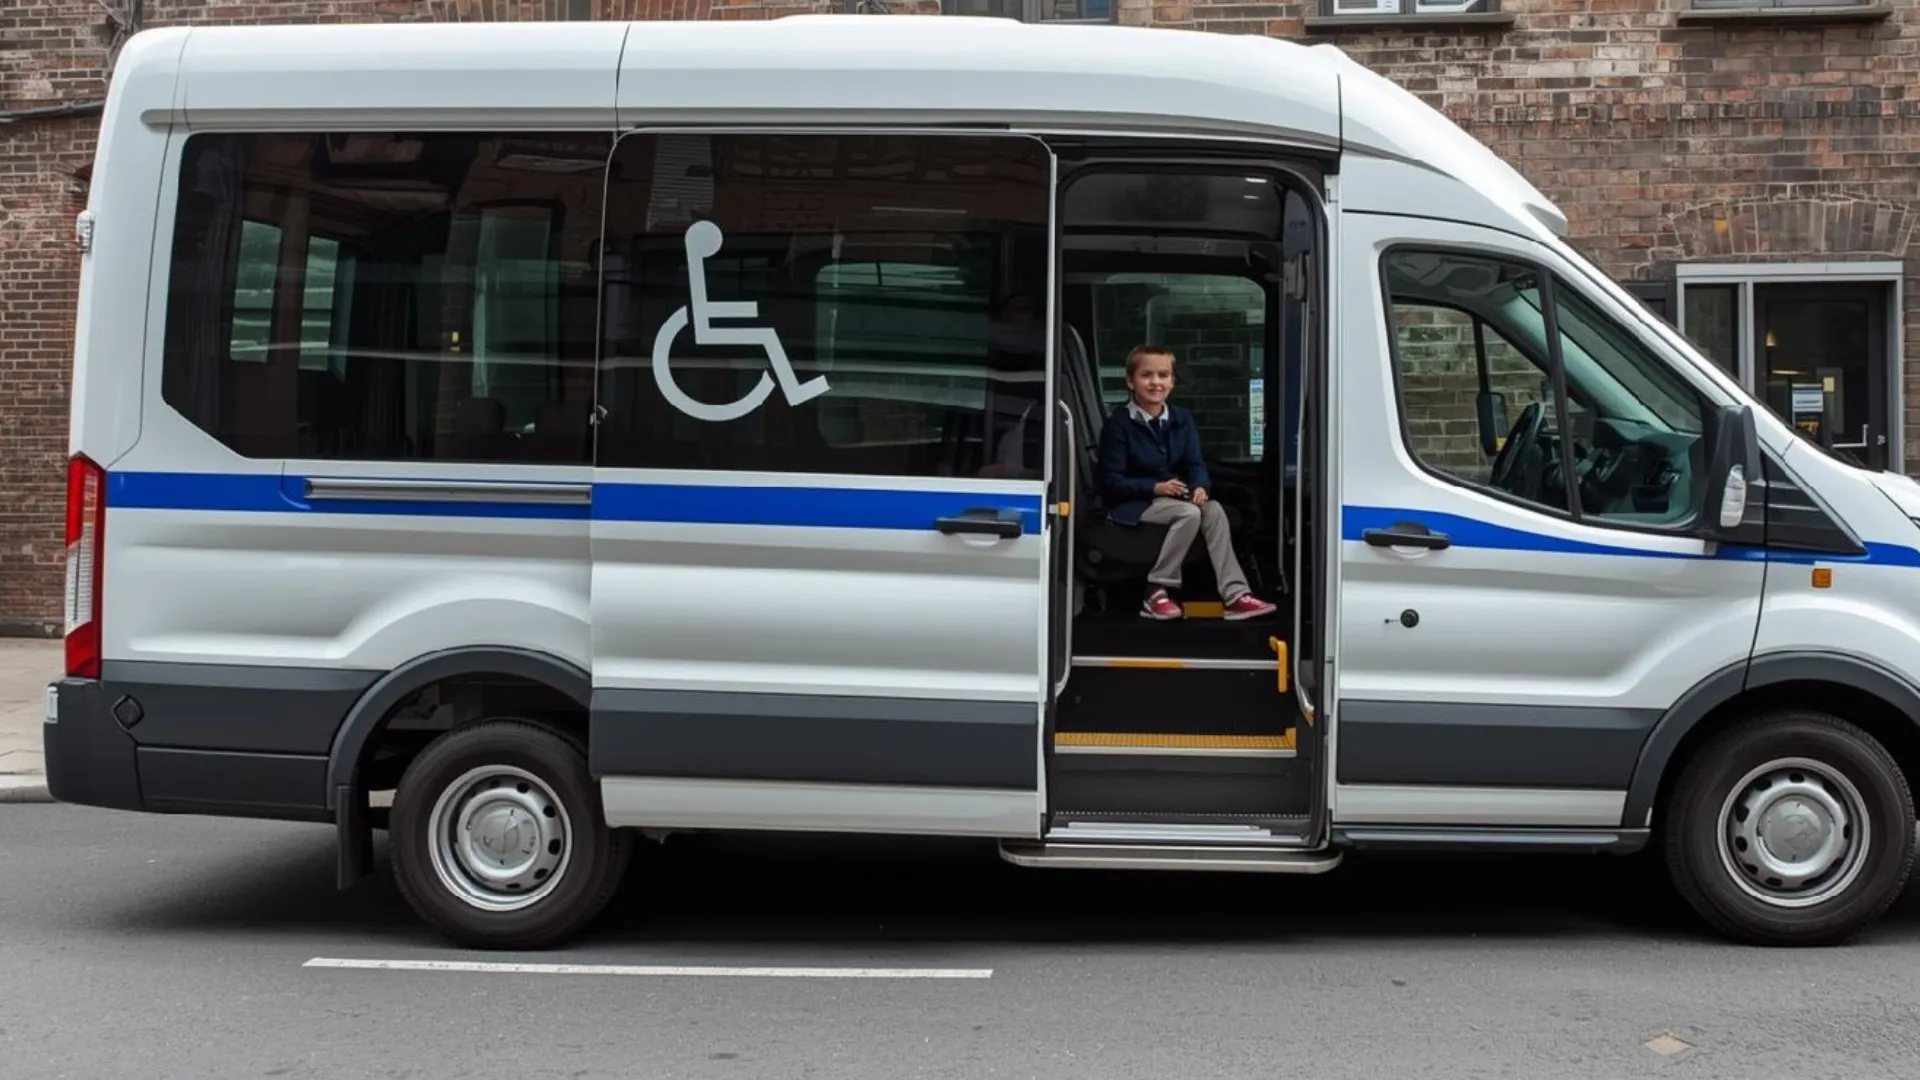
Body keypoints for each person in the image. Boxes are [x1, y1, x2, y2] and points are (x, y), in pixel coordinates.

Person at [1096, 344, 1276, 621]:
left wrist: (1200, 486)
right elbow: (1111, 481)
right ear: (1130, 381)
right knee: (1188, 513)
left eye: (1163, 375)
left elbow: (1195, 463)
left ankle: (1235, 595)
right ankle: (1157, 589)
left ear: (1172, 381)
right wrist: (1155, 488)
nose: (1156, 382)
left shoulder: (1182, 418)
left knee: (1213, 509)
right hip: (1134, 503)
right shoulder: (1118, 424)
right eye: (1146, 375)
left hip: (1175, 497)